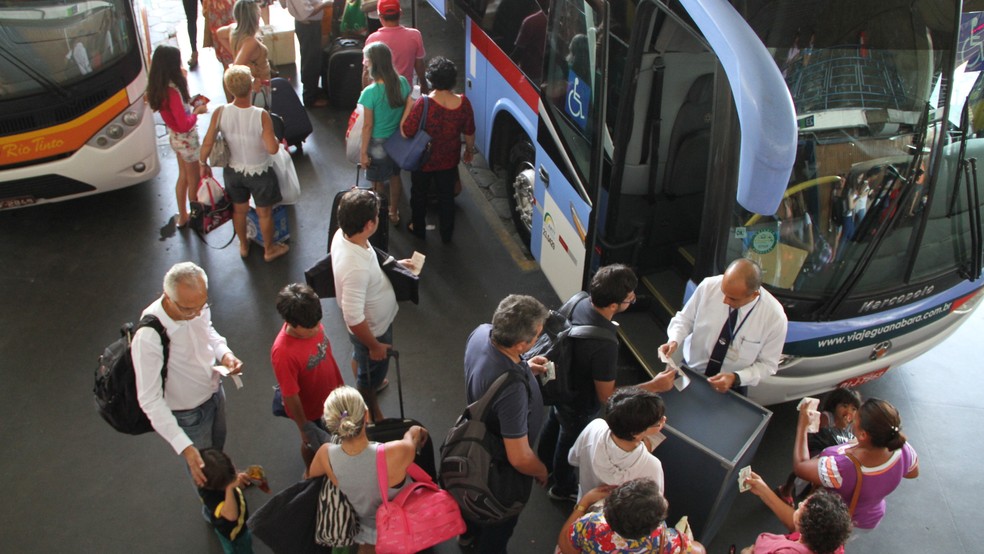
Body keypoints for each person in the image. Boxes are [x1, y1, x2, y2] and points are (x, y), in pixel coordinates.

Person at [538, 265, 677, 501]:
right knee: (568, 439)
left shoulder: (581, 301)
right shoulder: (604, 344)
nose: (633, 299)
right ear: (613, 305)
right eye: (630, 298)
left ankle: (543, 463)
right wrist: (654, 385)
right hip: (579, 401)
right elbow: (607, 395)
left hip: (561, 385)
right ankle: (562, 488)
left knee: (554, 422)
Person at [132, 262, 243, 489]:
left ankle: (227, 485)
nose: (197, 314)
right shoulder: (148, 338)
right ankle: (217, 504)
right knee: (205, 475)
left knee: (217, 455)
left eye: (203, 305)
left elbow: (208, 330)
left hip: (214, 392)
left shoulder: (196, 306)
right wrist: (184, 445)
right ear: (168, 298)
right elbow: (149, 399)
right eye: (189, 310)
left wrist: (225, 354)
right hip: (188, 414)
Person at [461, 294, 551, 552]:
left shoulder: (482, 333)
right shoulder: (512, 391)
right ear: (522, 344)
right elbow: (519, 457)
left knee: (471, 500)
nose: (539, 338)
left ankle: (466, 536)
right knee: (498, 525)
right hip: (497, 465)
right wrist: (540, 470)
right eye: (537, 335)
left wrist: (525, 366)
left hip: (473, 446)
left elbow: (492, 373)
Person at [330, 188, 416, 422]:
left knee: (361, 357)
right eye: (377, 215)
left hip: (368, 330)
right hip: (374, 331)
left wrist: (395, 264)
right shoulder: (355, 269)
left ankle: (367, 378)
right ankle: (372, 410)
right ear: (369, 224)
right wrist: (375, 346)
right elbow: (353, 317)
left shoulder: (344, 235)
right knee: (369, 376)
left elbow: (369, 261)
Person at [308, 386, 429, 550]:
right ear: (366, 415)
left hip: (368, 532)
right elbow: (413, 439)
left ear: (331, 425)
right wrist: (414, 431)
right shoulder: (397, 452)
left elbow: (311, 477)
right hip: (404, 525)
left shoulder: (325, 455)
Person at [658, 258, 788, 394]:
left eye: (733, 298)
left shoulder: (775, 318)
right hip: (690, 370)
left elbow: (767, 365)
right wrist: (675, 339)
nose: (725, 300)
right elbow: (685, 319)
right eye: (723, 292)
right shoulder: (709, 286)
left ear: (754, 294)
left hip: (732, 385)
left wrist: (736, 378)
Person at [200, 65, 288, 262]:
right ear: (251, 87)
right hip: (260, 172)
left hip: (233, 170)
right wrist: (275, 138)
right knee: (264, 213)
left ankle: (243, 245)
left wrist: (202, 162)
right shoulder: (260, 115)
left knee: (239, 210)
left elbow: (207, 142)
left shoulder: (220, 112)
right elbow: (272, 149)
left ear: (229, 88)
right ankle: (269, 250)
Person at [793, 397, 919, 530]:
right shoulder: (904, 449)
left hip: (835, 520)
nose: (852, 420)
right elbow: (912, 473)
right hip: (870, 516)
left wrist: (802, 426)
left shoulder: (843, 468)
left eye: (855, 420)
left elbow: (800, 466)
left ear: (863, 435)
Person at [399, 56, 475, 242]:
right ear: (453, 80)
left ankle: (418, 228)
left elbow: (406, 132)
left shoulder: (423, 103)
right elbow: (469, 131)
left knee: (419, 194)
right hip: (449, 159)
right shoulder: (463, 103)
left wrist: (408, 107)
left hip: (423, 160)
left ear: (431, 80)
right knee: (447, 197)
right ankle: (446, 234)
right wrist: (469, 150)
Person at [271, 283, 345, 472]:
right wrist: (304, 426)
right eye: (310, 328)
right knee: (312, 442)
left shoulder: (310, 320)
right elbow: (290, 395)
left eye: (318, 323)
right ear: (291, 323)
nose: (316, 329)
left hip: (332, 396)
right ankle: (311, 471)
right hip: (312, 411)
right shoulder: (283, 353)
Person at [146, 44, 208, 229]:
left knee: (183, 177)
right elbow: (184, 124)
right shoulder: (173, 92)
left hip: (176, 138)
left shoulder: (159, 88)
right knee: (193, 179)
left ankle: (183, 216)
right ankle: (196, 218)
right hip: (186, 140)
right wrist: (197, 112)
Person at [568, 387, 667, 501]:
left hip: (585, 500)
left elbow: (572, 459)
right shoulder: (652, 465)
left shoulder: (594, 427)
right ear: (635, 433)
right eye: (658, 422)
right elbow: (654, 501)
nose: (663, 419)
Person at [558, 478, 705, 554]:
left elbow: (565, 547)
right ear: (654, 526)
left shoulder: (590, 524)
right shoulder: (670, 542)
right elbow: (699, 551)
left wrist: (584, 502)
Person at [777, 388, 862, 504]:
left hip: (831, 457)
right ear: (835, 405)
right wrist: (840, 427)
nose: (849, 411)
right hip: (816, 451)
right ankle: (786, 489)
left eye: (853, 409)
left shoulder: (850, 426)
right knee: (799, 472)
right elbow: (822, 435)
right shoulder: (826, 418)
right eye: (845, 406)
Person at [360, 42, 411, 226]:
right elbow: (409, 105)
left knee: (377, 182)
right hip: (397, 141)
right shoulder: (402, 82)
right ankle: (394, 212)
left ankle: (379, 215)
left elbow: (367, 126)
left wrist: (363, 152)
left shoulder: (370, 93)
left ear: (375, 64)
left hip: (377, 144)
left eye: (367, 60)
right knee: (395, 177)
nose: (365, 64)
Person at [742, 473, 851, 554]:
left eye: (801, 508)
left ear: (802, 525)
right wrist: (763, 490)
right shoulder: (830, 542)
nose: (799, 504)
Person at [363, 0, 427, 94]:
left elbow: (366, 73)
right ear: (400, 13)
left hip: (380, 95)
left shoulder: (372, 39)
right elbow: (419, 65)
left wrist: (365, 95)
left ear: (380, 16)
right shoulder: (415, 35)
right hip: (405, 92)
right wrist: (424, 85)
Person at [199, 448, 254, 554]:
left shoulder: (219, 480)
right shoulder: (209, 496)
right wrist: (230, 488)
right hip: (234, 535)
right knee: (242, 549)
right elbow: (231, 516)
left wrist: (236, 479)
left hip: (241, 526)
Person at [285, 0, 331, 108]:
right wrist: (325, 4)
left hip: (307, 23)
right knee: (311, 60)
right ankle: (310, 97)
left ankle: (312, 89)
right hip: (308, 25)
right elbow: (307, 12)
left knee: (312, 58)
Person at [229, 0, 272, 108]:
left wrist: (235, 53)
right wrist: (252, 81)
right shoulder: (250, 41)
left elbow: (219, 33)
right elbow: (236, 68)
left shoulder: (233, 30)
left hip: (251, 89)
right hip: (259, 89)